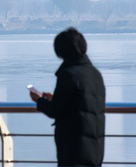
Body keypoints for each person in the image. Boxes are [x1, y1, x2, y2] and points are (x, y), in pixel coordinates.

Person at [29, 27, 105, 167]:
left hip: (74, 148)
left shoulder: (68, 74)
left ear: (61, 51)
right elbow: (84, 102)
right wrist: (55, 97)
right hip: (95, 147)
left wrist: (39, 100)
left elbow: (54, 110)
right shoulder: (95, 74)